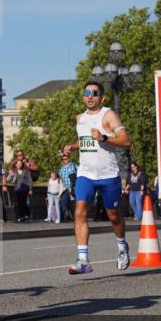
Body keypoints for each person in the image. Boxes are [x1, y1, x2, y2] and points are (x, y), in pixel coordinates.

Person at [62, 80, 132, 274]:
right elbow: (84, 140)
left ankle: (122, 246)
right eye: (87, 93)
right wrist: (72, 147)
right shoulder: (80, 118)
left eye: (94, 93)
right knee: (80, 211)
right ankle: (83, 259)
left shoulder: (109, 115)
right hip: (86, 174)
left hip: (108, 174)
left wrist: (104, 137)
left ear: (102, 97)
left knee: (113, 216)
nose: (90, 96)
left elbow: (125, 140)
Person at [59, 152, 77, 221]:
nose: (64, 161)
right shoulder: (62, 168)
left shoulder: (74, 165)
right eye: (63, 159)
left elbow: (79, 174)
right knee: (63, 203)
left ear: (69, 158)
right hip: (65, 188)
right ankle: (63, 218)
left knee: (73, 204)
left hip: (72, 187)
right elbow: (60, 178)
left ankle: (75, 218)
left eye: (66, 159)